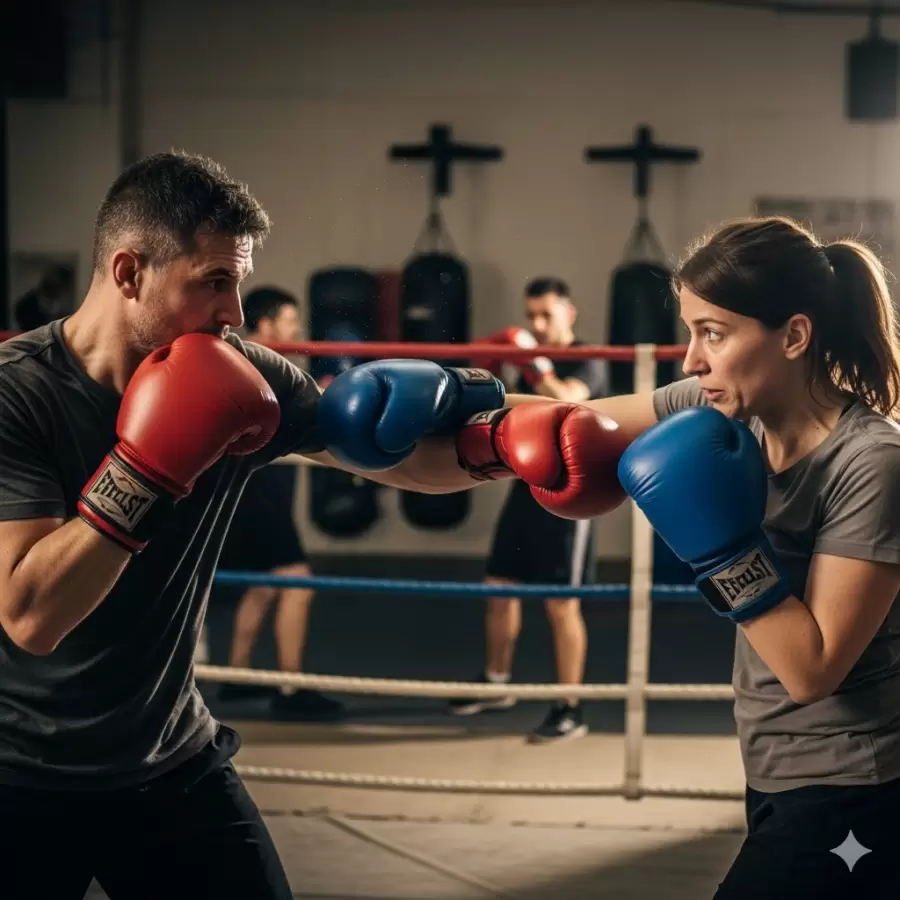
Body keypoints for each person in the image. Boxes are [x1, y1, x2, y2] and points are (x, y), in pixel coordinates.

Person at [0, 149, 629, 899]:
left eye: (238, 282)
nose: (235, 313)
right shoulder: (18, 396)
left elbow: (394, 460)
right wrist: (147, 467)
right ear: (129, 273)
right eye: (214, 282)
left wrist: (511, 442)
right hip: (18, 773)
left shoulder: (242, 369)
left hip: (166, 760)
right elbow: (32, 615)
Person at [588, 215, 900, 897]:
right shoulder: (733, 410)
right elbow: (580, 425)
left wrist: (722, 549)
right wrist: (472, 407)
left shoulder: (872, 462)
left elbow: (811, 670)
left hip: (854, 787)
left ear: (793, 336)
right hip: (774, 772)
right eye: (691, 332)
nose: (691, 361)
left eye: (714, 333)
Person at [450, 277, 610, 743]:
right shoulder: (526, 362)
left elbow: (567, 397)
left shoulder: (589, 357)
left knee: (561, 604)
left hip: (570, 495)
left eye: (546, 315)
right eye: (531, 316)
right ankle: (497, 683)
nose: (537, 325)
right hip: (525, 489)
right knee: (499, 587)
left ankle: (569, 708)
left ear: (569, 314)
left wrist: (532, 361)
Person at [218, 286, 343, 721]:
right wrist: (326, 400)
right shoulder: (256, 360)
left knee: (266, 582)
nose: (297, 328)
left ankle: (237, 675)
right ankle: (291, 687)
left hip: (255, 484)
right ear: (267, 323)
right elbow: (280, 417)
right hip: (257, 487)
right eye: (290, 320)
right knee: (296, 579)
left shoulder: (254, 360)